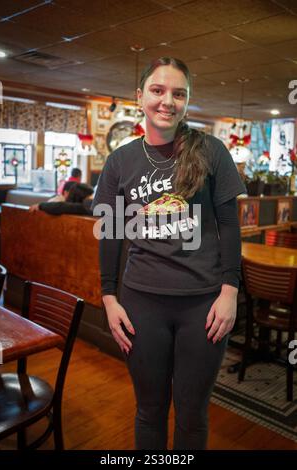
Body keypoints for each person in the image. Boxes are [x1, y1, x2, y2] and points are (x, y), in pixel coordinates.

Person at [92, 57, 246, 450]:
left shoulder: (212, 151)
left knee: (192, 414)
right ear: (140, 97)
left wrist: (230, 292)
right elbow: (110, 234)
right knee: (150, 409)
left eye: (178, 93)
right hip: (142, 304)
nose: (167, 101)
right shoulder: (120, 161)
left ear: (187, 100)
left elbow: (229, 225)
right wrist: (109, 299)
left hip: (204, 307)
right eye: (158, 91)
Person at [29, 183, 93, 215]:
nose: (91, 199)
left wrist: (40, 205)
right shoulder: (82, 208)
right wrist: (41, 205)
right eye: (89, 197)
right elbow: (61, 206)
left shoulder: (78, 208)